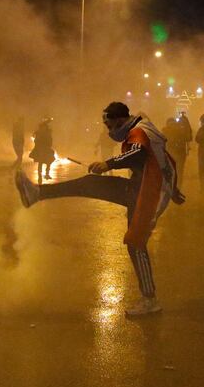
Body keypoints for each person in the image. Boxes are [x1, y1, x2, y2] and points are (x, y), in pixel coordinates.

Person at [14, 102, 185, 316]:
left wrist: (109, 164)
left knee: (136, 243)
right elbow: (167, 161)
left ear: (120, 120)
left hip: (148, 195)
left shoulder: (138, 132)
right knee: (90, 184)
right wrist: (174, 189)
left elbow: (138, 153)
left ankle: (150, 300)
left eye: (110, 125)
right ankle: (38, 193)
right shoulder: (147, 128)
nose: (109, 131)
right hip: (143, 189)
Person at [163, 117, 189, 187]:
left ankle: (173, 186)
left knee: (172, 170)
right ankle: (177, 186)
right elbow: (187, 138)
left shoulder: (165, 130)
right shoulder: (180, 130)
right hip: (179, 154)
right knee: (179, 171)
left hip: (171, 153)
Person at [29, 119, 55, 184]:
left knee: (49, 160)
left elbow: (50, 141)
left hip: (45, 148)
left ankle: (46, 174)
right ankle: (40, 175)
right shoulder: (40, 132)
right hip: (41, 149)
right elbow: (36, 140)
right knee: (41, 161)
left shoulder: (45, 132)